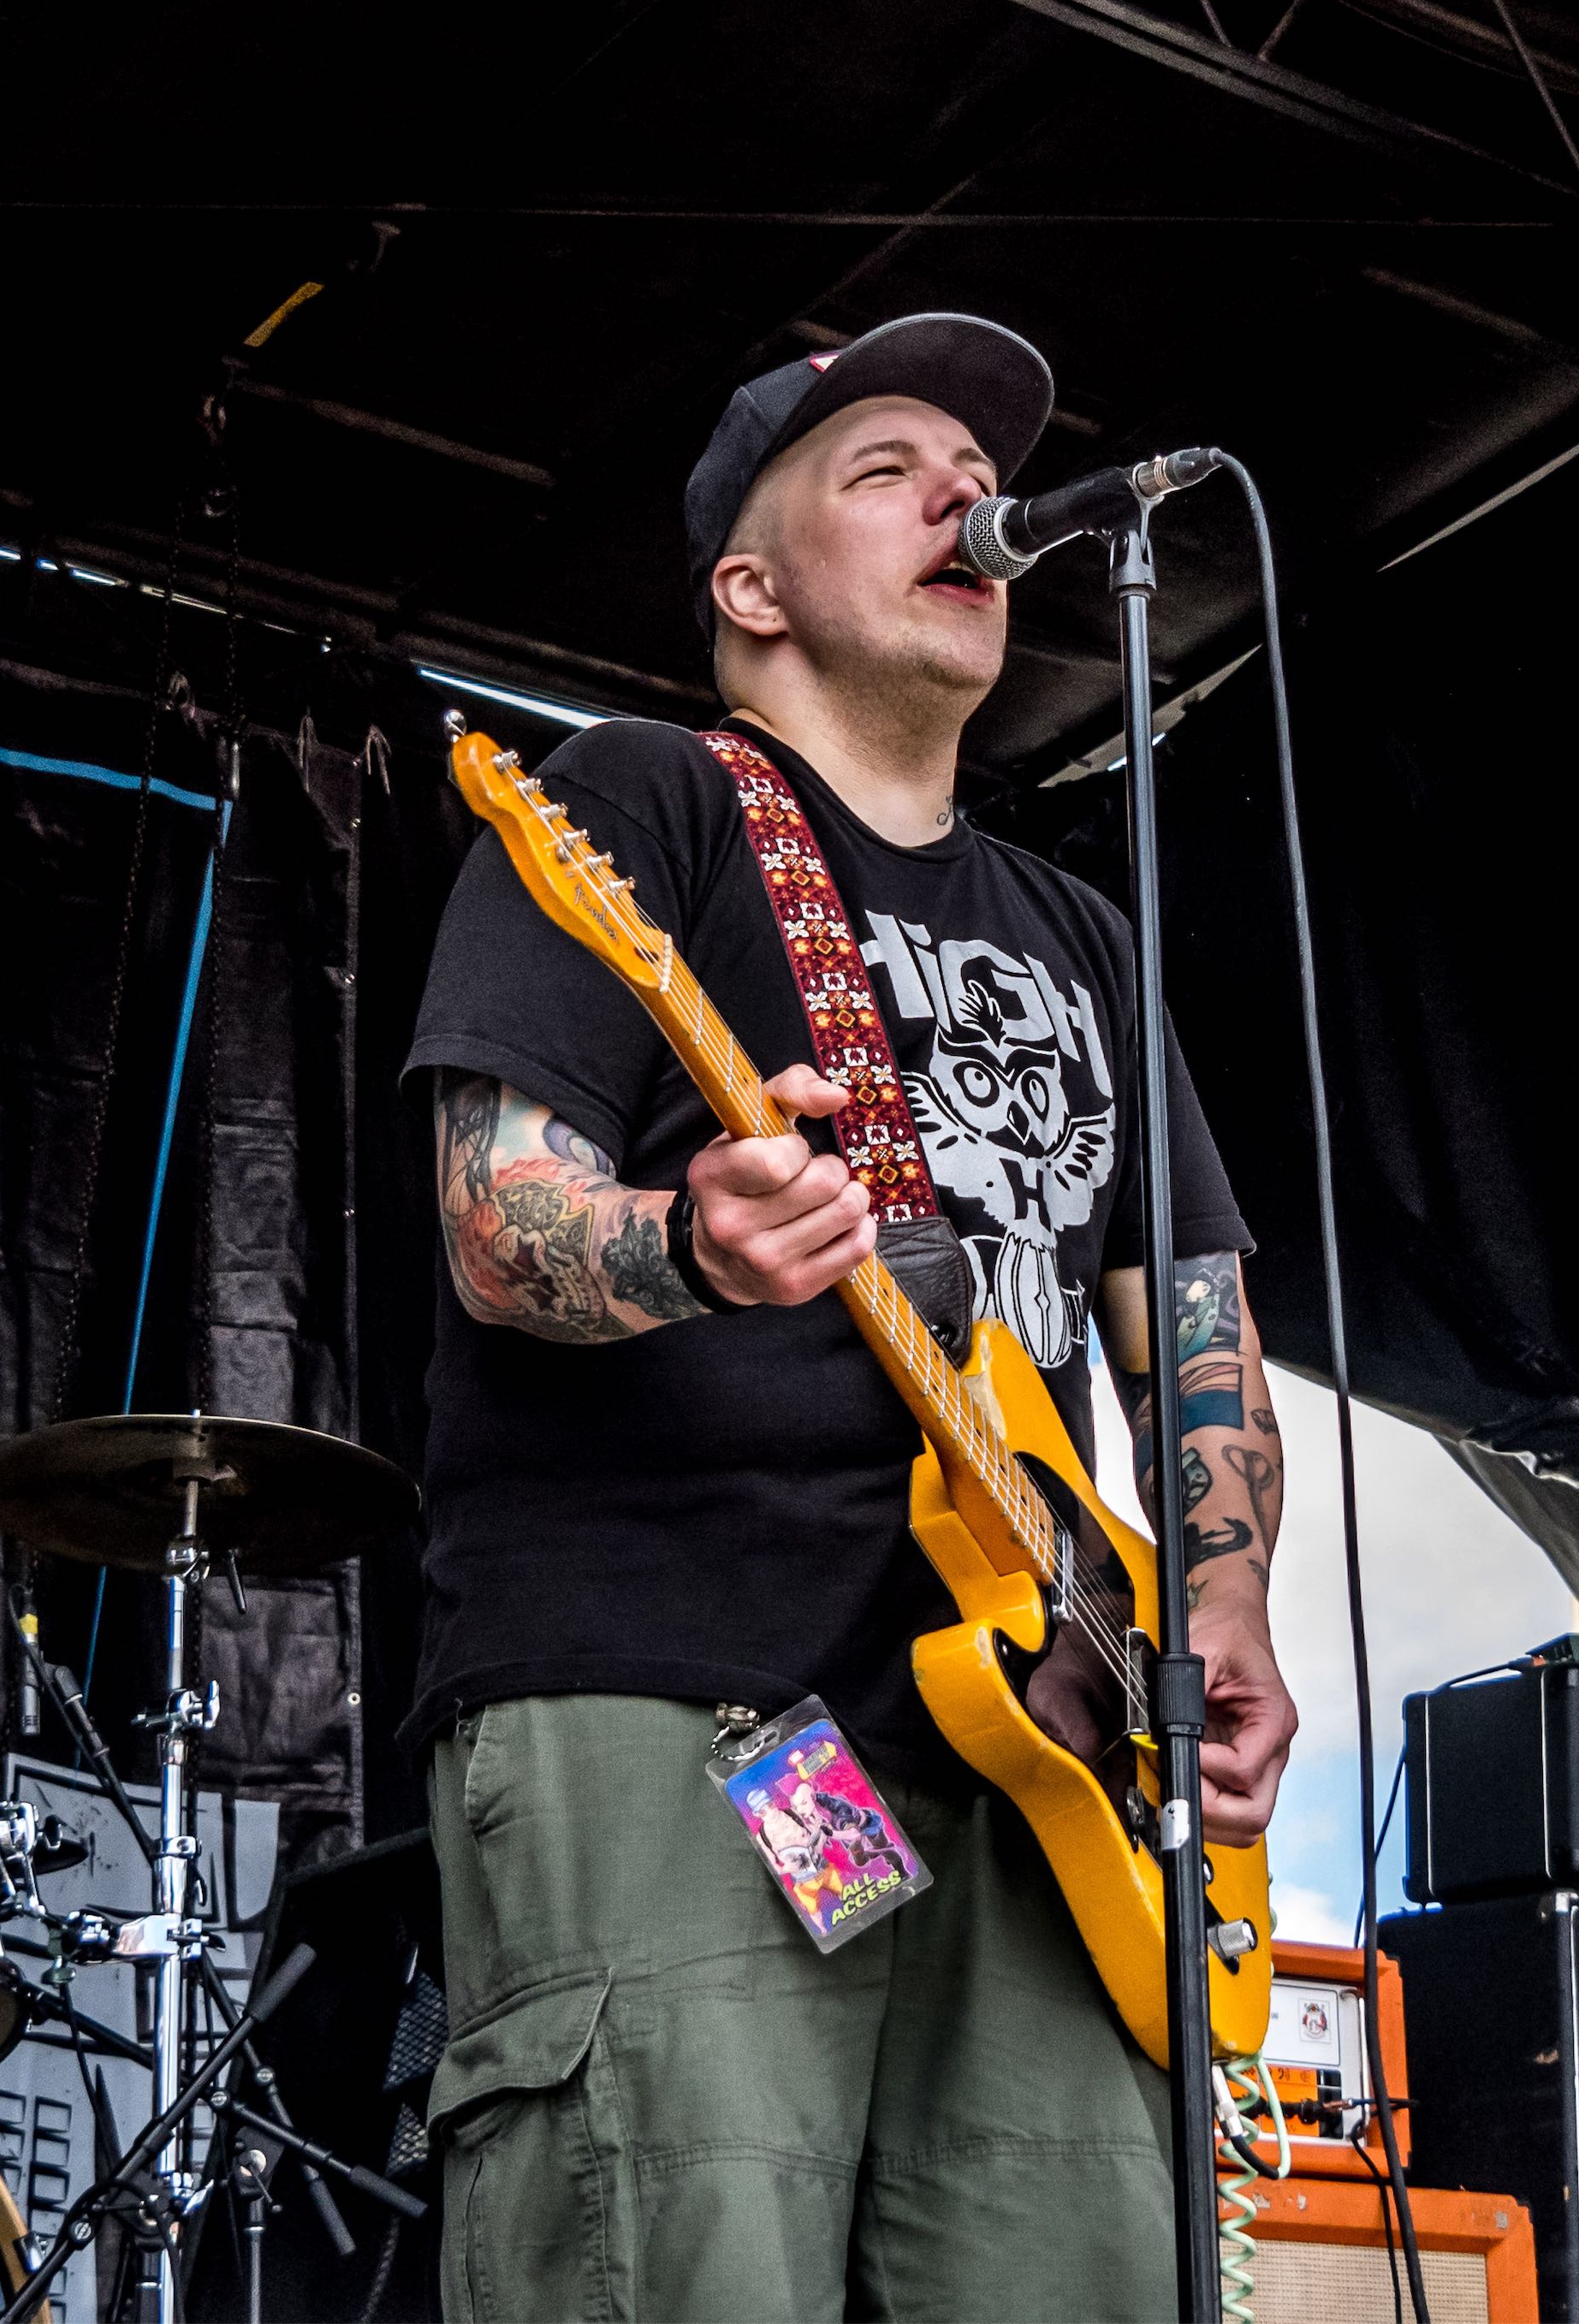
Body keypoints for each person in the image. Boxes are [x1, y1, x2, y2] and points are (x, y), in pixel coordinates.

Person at [406, 311, 1297, 2321]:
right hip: (707, 1700)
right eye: (885, 466)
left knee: (1080, 2274)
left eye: (973, 475)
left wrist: (1217, 1608)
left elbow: (1192, 1306)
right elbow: (495, 1212)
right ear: (751, 585)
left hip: (1043, 1746)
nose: (963, 500)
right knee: (686, 2251)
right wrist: (689, 1248)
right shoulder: (646, 804)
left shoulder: (1078, 926)